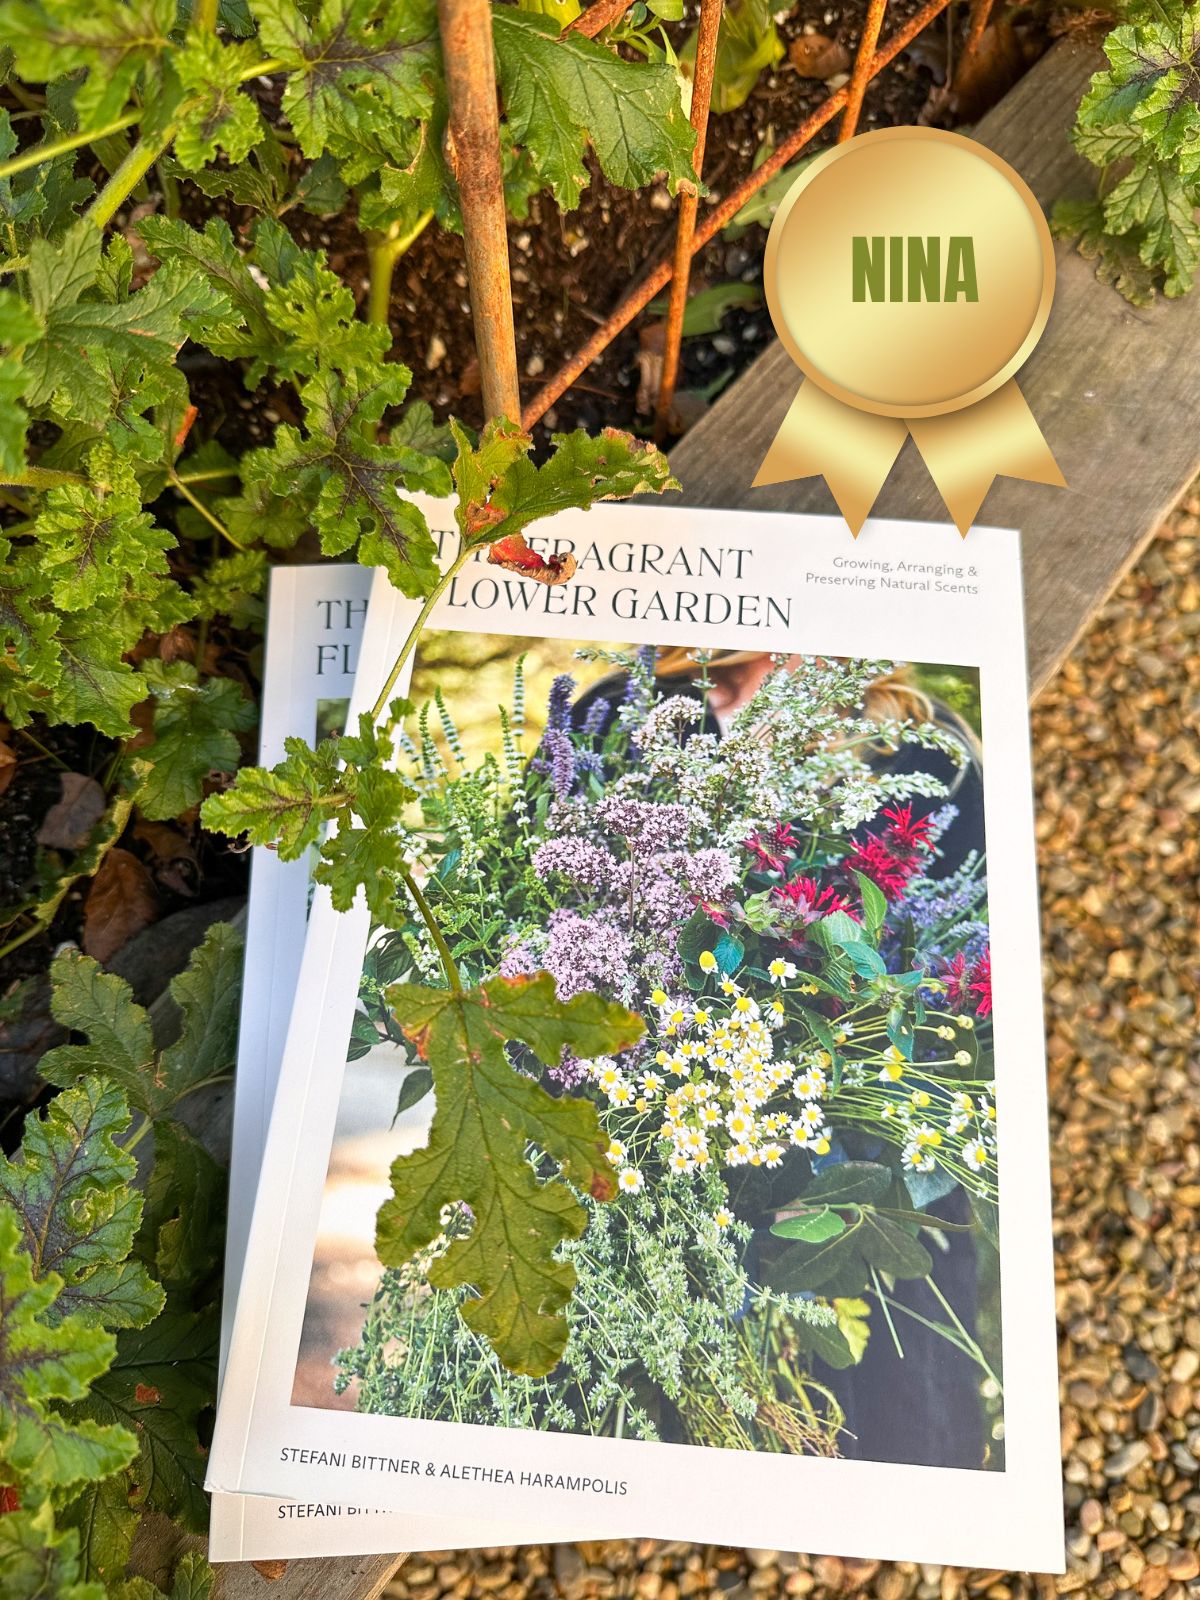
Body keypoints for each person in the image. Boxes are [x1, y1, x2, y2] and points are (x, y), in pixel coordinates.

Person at [569, 649, 992, 1470]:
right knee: (661, 1395)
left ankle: (892, 1514)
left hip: (871, 1119)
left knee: (900, 1359)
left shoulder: (920, 745)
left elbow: (961, 971)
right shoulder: (620, 709)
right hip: (660, 1116)